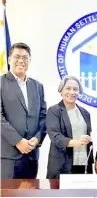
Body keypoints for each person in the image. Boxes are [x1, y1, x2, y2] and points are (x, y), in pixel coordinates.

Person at [1, 42, 47, 178]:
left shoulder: (38, 86)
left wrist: (37, 139)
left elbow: (43, 116)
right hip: (8, 156)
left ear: (30, 61)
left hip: (32, 155)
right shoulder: (1, 83)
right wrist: (18, 141)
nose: (21, 60)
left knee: (30, 195)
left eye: (25, 57)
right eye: (17, 57)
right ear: (9, 59)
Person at [46, 75, 93, 178]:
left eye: (75, 89)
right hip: (62, 165)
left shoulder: (85, 113)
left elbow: (90, 139)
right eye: (68, 88)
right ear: (61, 90)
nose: (72, 92)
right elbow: (56, 138)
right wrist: (79, 142)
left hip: (83, 164)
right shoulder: (54, 111)